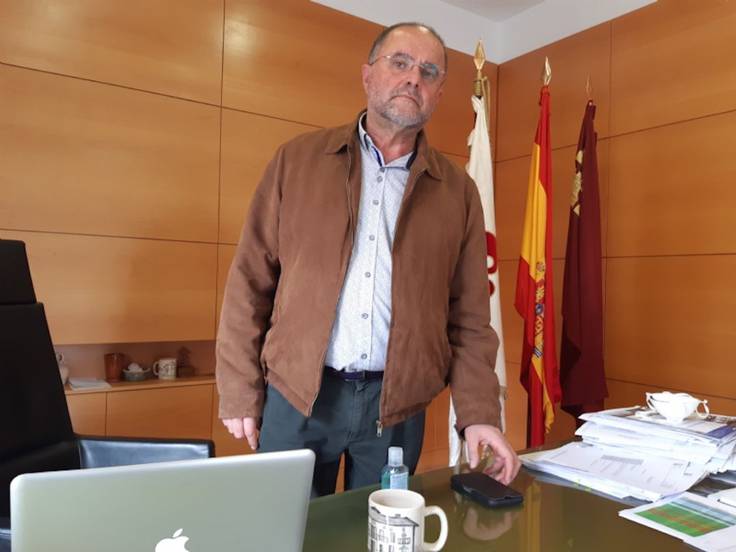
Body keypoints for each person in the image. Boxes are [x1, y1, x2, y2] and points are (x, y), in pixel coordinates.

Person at [216, 21, 520, 496]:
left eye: (428, 71)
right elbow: (249, 282)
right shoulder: (296, 163)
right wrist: (239, 389)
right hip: (297, 396)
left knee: (383, 537)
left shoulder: (458, 191)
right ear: (368, 75)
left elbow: (472, 317)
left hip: (396, 408)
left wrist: (480, 414)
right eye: (399, 63)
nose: (412, 79)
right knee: (286, 533)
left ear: (439, 93)